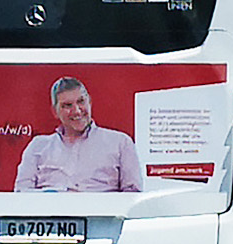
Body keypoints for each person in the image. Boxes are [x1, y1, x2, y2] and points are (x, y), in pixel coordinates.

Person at [13, 76, 142, 192]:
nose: (77, 111)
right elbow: (21, 194)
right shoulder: (37, 146)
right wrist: (60, 195)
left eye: (81, 102)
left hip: (100, 214)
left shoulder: (120, 143)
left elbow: (132, 195)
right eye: (67, 105)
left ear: (89, 102)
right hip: (50, 214)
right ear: (55, 112)